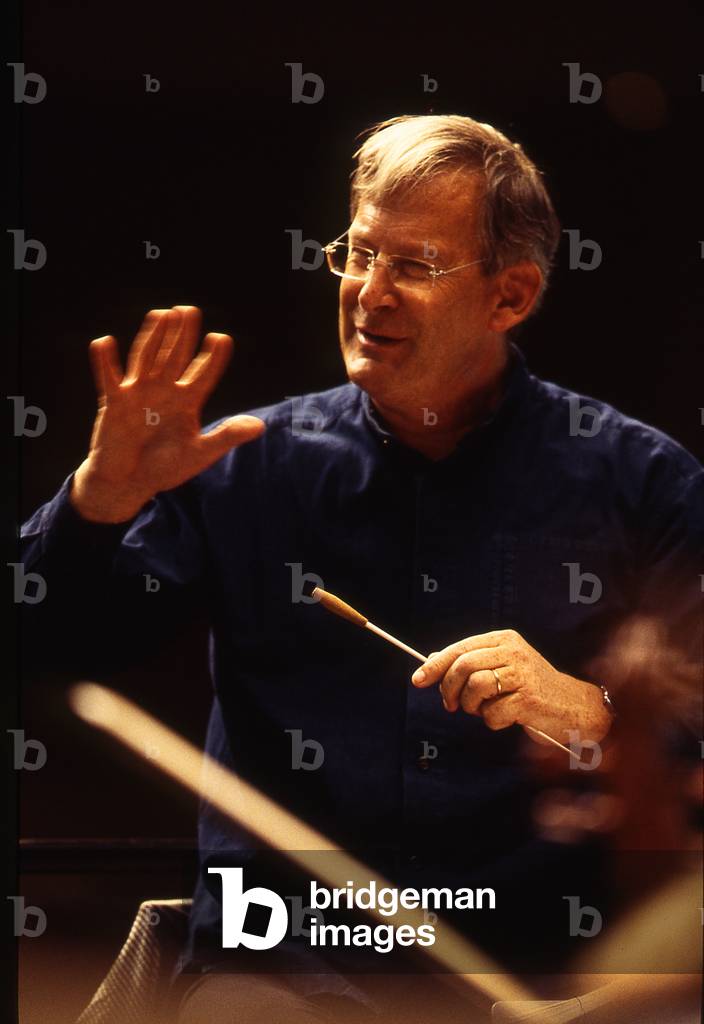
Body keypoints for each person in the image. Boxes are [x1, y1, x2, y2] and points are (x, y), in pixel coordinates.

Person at [21, 115, 702, 1023]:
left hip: (553, 972)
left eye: (414, 266)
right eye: (357, 253)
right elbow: (44, 645)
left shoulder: (643, 481)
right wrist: (99, 501)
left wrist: (599, 718)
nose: (367, 293)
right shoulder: (245, 464)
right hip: (287, 968)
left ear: (512, 295)